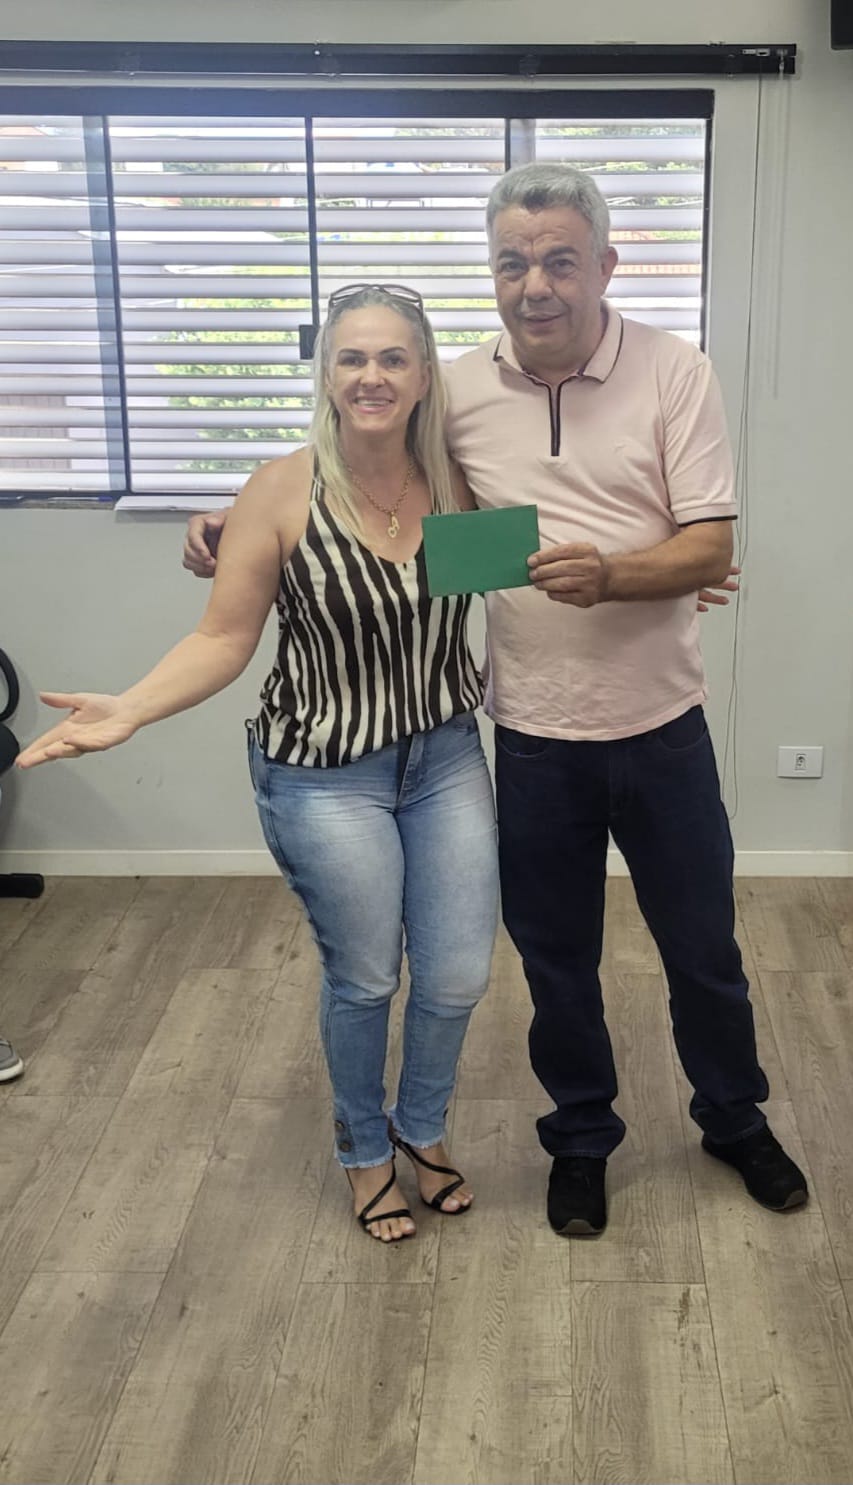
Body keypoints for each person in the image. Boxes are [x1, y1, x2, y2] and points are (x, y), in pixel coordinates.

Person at [185, 164, 808, 1240]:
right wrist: (223, 525)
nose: (535, 285)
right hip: (527, 736)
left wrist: (627, 572)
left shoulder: (676, 371)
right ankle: (580, 1139)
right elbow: (363, 471)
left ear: (604, 265)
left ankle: (733, 1119)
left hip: (662, 728)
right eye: (512, 263)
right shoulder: (457, 389)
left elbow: (709, 546)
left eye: (560, 260)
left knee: (703, 949)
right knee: (556, 964)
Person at [18, 284, 500, 1243]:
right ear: (326, 373)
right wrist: (132, 708)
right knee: (366, 976)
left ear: (423, 374)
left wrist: (649, 582)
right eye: (351, 357)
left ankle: (420, 1126)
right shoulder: (280, 491)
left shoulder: (459, 482)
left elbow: (532, 570)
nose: (370, 376)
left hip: (444, 758)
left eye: (392, 358)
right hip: (323, 771)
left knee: (454, 975)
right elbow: (224, 637)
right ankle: (363, 1148)